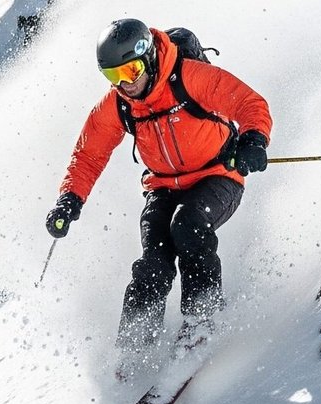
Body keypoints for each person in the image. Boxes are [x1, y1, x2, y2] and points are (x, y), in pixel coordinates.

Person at [46, 19, 271, 363]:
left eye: (131, 70)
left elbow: (248, 103)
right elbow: (90, 153)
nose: (126, 83)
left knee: (188, 227)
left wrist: (253, 139)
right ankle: (134, 347)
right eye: (114, 76)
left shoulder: (189, 78)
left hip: (217, 175)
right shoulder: (119, 104)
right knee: (154, 261)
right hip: (163, 186)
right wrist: (69, 199)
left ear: (148, 58)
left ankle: (201, 322)